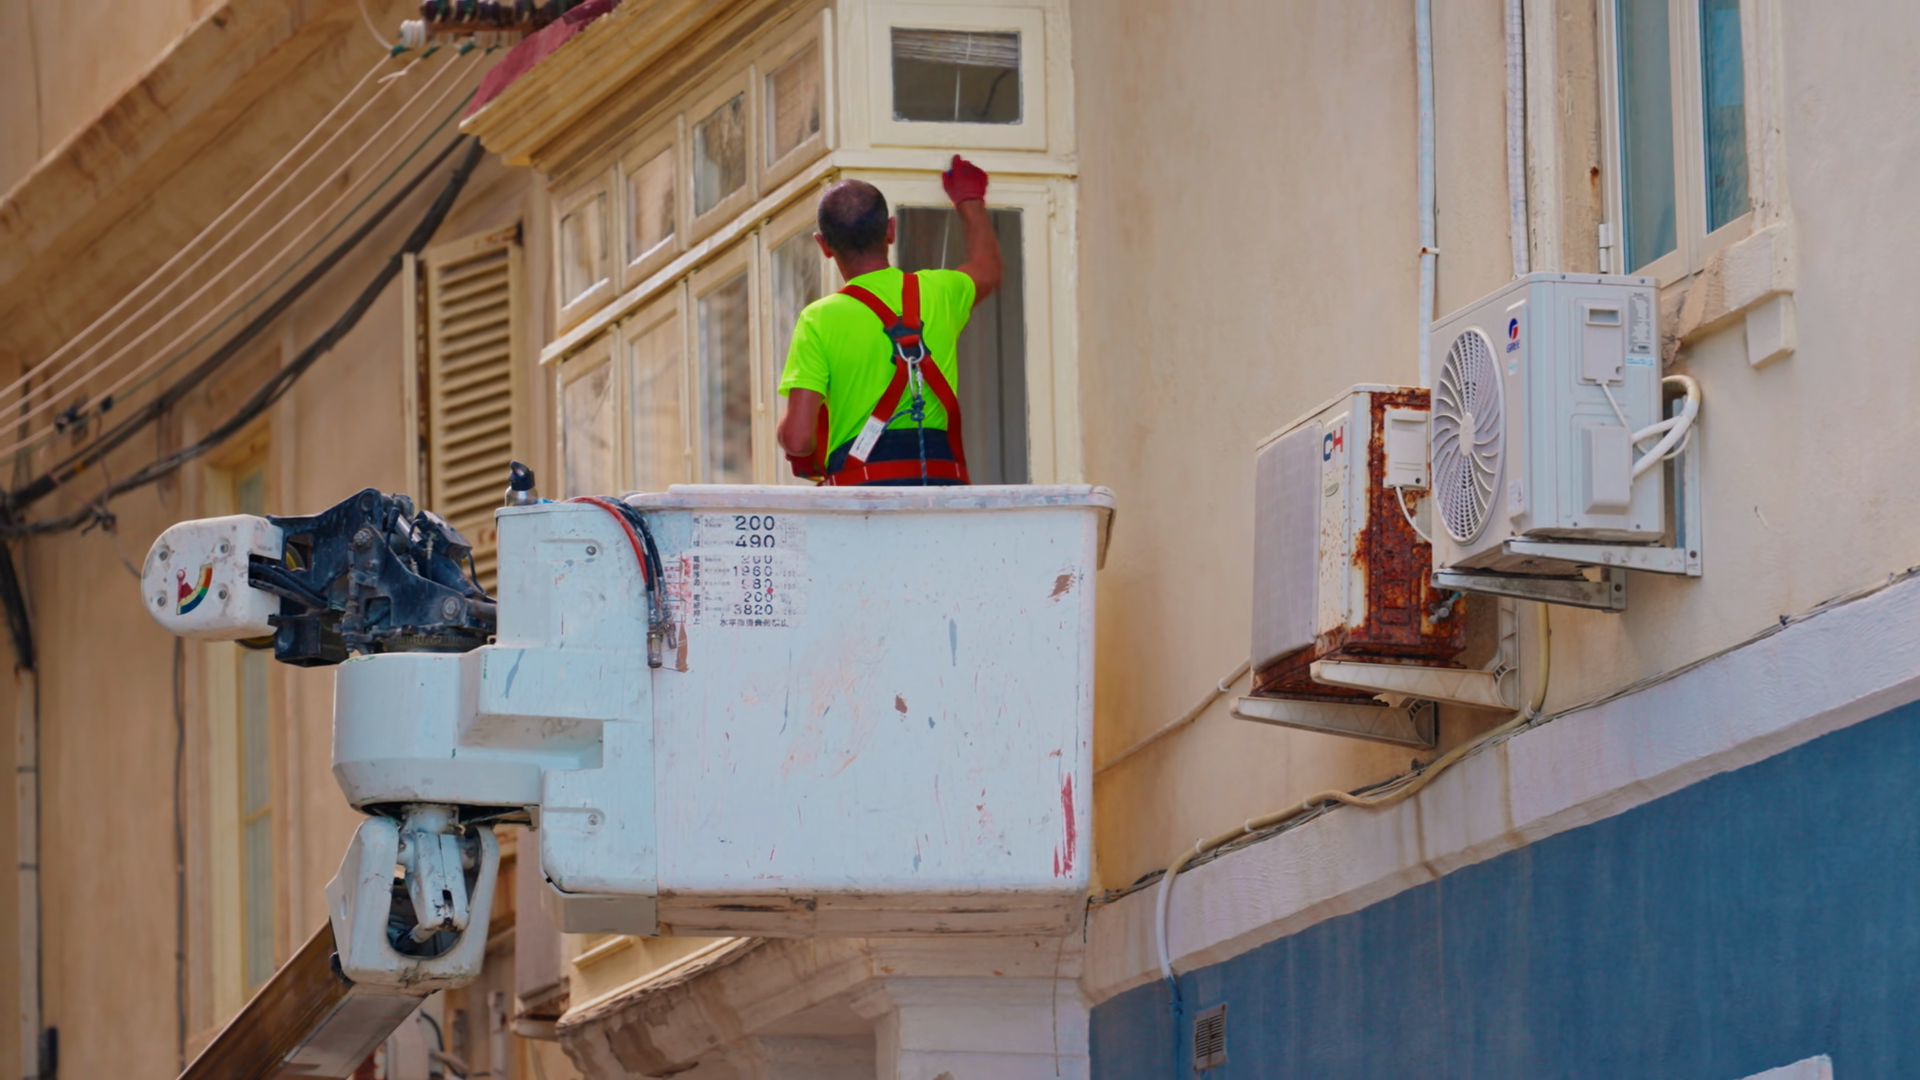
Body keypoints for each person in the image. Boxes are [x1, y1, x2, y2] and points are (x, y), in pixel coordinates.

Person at [776, 156, 1002, 486]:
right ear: (891, 230)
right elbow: (988, 268)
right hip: (940, 490)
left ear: (824, 245)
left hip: (862, 495)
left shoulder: (818, 319)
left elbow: (798, 440)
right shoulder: (940, 291)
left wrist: (790, 437)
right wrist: (970, 199)